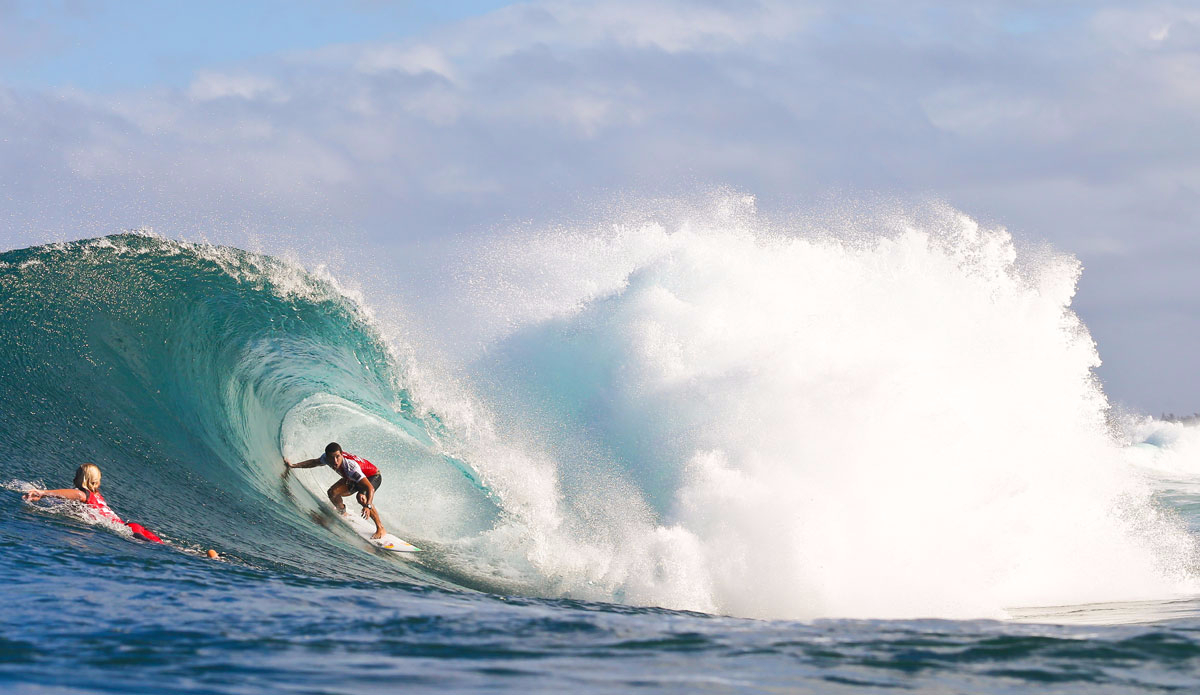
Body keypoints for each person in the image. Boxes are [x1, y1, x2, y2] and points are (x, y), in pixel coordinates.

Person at [23, 463, 163, 543]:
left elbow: (76, 494)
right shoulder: (96, 494)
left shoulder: (85, 493)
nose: (74, 478)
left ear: (82, 479)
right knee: (164, 545)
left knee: (154, 547)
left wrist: (43, 493)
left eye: (76, 475)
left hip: (129, 531)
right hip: (133, 526)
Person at [284, 442, 386, 539]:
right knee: (332, 493)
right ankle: (342, 512)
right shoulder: (326, 459)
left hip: (372, 476)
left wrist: (367, 506)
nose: (335, 461)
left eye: (338, 457)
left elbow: (370, 488)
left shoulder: (351, 468)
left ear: (342, 455)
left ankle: (380, 528)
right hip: (353, 478)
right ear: (327, 457)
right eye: (332, 458)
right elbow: (314, 462)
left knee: (361, 498)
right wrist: (293, 465)